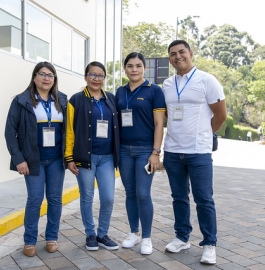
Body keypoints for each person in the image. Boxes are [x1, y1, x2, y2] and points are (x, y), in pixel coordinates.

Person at [162, 40, 227, 264]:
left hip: (198, 152)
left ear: (190, 53)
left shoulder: (207, 80)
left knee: (204, 199)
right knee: (179, 198)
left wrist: (204, 136)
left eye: (182, 52)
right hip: (172, 151)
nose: (178, 56)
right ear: (170, 58)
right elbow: (169, 115)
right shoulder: (167, 84)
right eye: (173, 54)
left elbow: (221, 115)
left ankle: (209, 244)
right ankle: (182, 237)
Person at [5, 62, 68, 257]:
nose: (46, 78)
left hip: (56, 160)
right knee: (34, 199)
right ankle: (30, 240)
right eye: (42, 74)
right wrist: (19, 159)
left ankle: (51, 237)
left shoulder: (62, 100)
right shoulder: (21, 101)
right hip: (32, 160)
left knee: (55, 200)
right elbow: (10, 132)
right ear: (34, 77)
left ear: (54, 79)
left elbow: (70, 130)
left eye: (50, 75)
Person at [65, 61, 120, 251]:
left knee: (108, 198)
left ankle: (102, 233)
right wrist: (69, 158)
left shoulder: (111, 99)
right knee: (87, 197)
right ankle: (90, 234)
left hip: (107, 158)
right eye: (92, 74)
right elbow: (69, 130)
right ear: (86, 76)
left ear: (105, 78)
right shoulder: (76, 99)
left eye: (100, 75)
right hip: (85, 158)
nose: (96, 78)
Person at [116, 52, 166, 255]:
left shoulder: (154, 90)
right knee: (129, 193)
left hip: (146, 149)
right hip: (124, 150)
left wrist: (156, 152)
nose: (134, 69)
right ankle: (133, 233)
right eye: (130, 66)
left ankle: (147, 237)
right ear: (125, 68)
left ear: (144, 68)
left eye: (138, 66)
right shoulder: (120, 91)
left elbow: (159, 123)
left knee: (143, 193)